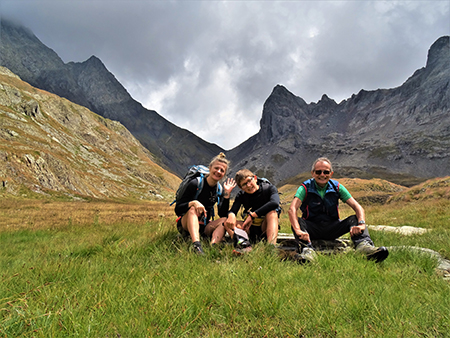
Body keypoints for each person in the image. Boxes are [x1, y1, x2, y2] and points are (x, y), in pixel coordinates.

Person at [288, 157, 389, 262]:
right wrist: (298, 231)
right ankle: (307, 250)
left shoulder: (337, 187)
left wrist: (362, 223)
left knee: (354, 219)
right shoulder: (305, 187)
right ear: (312, 173)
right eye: (318, 172)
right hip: (312, 229)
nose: (322, 175)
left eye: (326, 172)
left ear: (331, 174)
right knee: (298, 222)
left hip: (333, 227)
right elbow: (292, 209)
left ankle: (364, 246)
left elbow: (357, 207)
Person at [174, 153, 236, 255]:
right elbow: (178, 209)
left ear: (224, 174)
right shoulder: (195, 183)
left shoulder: (219, 189)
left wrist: (226, 194)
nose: (218, 172)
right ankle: (196, 246)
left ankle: (213, 246)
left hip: (204, 226)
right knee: (193, 209)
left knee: (224, 220)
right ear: (210, 168)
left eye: (222, 170)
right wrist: (193, 203)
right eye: (216, 168)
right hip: (185, 225)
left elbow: (222, 214)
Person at [224, 169, 281, 247]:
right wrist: (231, 215)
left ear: (255, 178)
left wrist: (253, 215)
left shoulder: (268, 188)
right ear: (240, 187)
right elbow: (233, 210)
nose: (248, 185)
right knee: (226, 222)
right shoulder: (241, 195)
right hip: (249, 229)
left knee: (272, 213)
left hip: (265, 227)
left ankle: (271, 247)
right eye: (244, 184)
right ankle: (242, 245)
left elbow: (274, 203)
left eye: (249, 181)